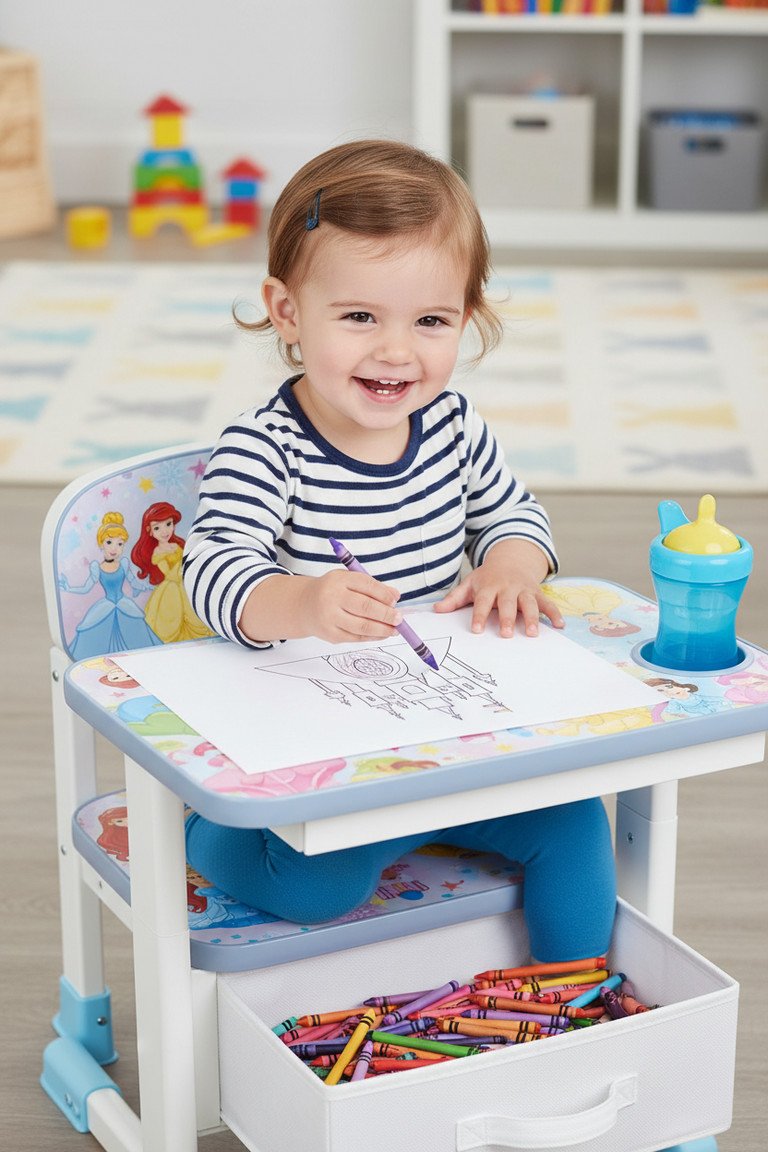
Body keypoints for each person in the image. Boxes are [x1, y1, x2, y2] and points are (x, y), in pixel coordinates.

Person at [182, 139, 616, 961]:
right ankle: (209, 828)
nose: (396, 351)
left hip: (450, 736)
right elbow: (213, 568)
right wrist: (301, 601)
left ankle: (572, 1005)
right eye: (358, 317)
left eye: (430, 321)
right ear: (286, 312)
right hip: (325, 755)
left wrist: (511, 564)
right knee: (318, 888)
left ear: (467, 316)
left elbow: (514, 513)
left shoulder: (454, 426)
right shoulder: (266, 448)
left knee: (576, 826)